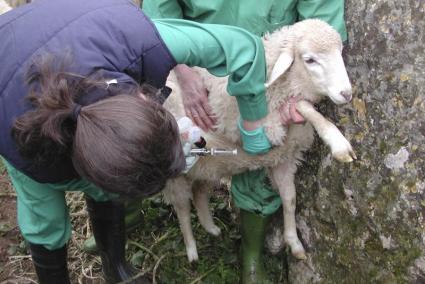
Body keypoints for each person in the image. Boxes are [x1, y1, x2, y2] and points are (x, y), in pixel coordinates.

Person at [0, 0, 277, 283]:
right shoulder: (24, 142)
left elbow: (244, 47)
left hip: (79, 21)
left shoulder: (143, 41)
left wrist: (253, 125)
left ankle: (116, 268)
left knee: (113, 178)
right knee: (44, 217)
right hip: (8, 61)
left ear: (145, 97)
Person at [142, 1, 348, 283]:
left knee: (265, 154)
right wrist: (182, 70)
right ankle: (123, 210)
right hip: (199, 67)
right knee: (173, 138)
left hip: (274, 74)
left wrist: (301, 92)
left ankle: (251, 255)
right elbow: (160, 11)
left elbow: (322, 25)